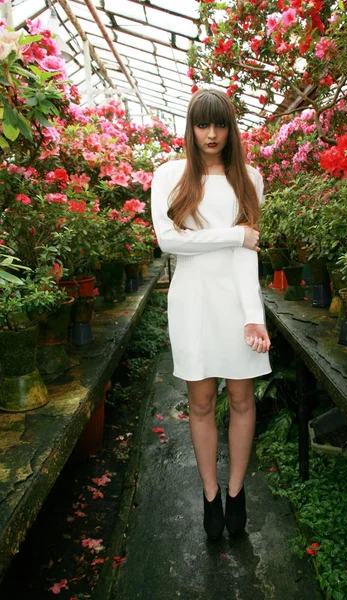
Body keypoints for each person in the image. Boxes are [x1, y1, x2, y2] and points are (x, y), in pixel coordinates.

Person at [151, 88, 271, 540]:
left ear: (230, 128)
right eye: (203, 124)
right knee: (201, 402)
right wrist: (233, 235)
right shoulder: (170, 176)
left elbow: (248, 253)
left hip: (237, 302)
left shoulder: (249, 178)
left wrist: (253, 314)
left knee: (242, 399)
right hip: (193, 302)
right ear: (191, 128)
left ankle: (237, 492)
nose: (212, 134)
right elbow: (169, 241)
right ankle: (209, 494)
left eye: (219, 124)